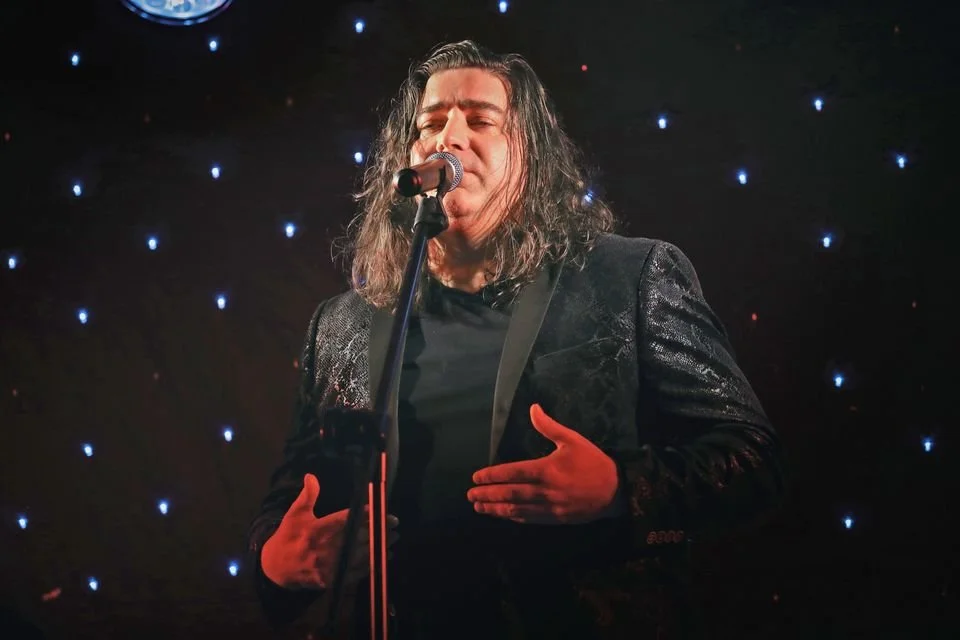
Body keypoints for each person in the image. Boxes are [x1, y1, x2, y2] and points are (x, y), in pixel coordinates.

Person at [246, 40, 785, 639]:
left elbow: (751, 461)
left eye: (480, 120)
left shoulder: (630, 277)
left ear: (528, 156)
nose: (447, 137)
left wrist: (619, 489)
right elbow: (295, 495)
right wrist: (277, 562)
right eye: (430, 123)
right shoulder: (342, 323)